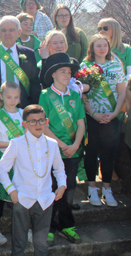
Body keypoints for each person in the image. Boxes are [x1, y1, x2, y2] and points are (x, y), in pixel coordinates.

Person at [0, 105, 67, 256]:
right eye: (33, 121)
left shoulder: (52, 144)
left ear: (46, 121)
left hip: (45, 200)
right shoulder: (16, 143)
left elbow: (59, 169)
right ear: (25, 124)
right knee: (19, 242)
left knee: (41, 244)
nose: (38, 124)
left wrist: (62, 185)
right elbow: (1, 169)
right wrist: (11, 190)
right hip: (22, 199)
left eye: (41, 120)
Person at [39, 53, 85, 245]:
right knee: (51, 188)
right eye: (63, 72)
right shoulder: (45, 96)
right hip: (53, 150)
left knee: (69, 189)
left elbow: (81, 123)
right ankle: (48, 227)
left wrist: (74, 145)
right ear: (53, 75)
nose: (67, 75)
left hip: (72, 151)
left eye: (69, 72)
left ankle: (67, 225)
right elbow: (43, 125)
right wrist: (61, 144)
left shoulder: (75, 95)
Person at [81, 34, 126, 208]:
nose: (101, 48)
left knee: (109, 154)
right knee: (91, 152)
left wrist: (114, 114)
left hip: (112, 117)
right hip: (92, 117)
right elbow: (82, 94)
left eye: (104, 45)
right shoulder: (86, 66)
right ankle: (92, 188)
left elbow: (121, 92)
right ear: (92, 48)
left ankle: (107, 189)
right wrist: (93, 114)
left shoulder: (116, 65)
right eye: (98, 45)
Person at [0, 16, 41, 113]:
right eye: (4, 30)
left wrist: (32, 108)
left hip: (22, 109)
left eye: (11, 30)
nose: (7, 34)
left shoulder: (29, 54)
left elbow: (34, 84)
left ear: (19, 32)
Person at [0, 81, 24, 246]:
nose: (12, 100)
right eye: (9, 97)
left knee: (22, 198)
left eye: (16, 97)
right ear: (1, 97)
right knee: (0, 199)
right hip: (5, 162)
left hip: (23, 164)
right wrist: (14, 142)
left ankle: (24, 229)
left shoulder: (24, 114)